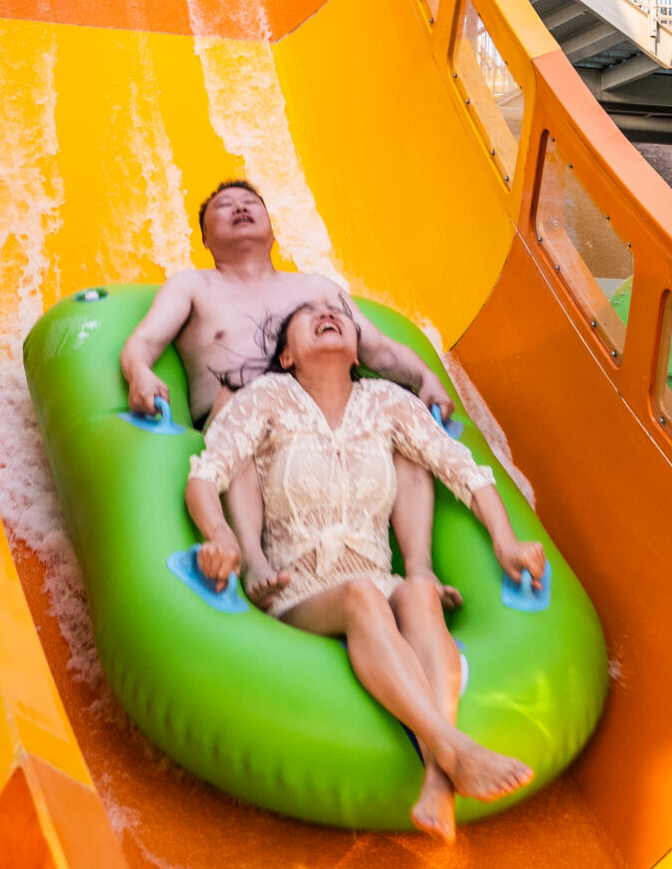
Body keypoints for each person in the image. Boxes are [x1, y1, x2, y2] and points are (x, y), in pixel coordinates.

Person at [185, 297, 543, 838]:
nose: (328, 314)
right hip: (298, 584)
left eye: (339, 314)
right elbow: (207, 475)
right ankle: (453, 751)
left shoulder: (387, 403)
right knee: (363, 596)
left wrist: (506, 543)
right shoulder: (266, 398)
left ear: (357, 351)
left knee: (418, 594)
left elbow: (465, 472)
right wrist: (222, 539)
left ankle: (439, 782)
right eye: (309, 316)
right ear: (286, 356)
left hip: (380, 573)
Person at [120, 181, 456, 609]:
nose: (240, 209)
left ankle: (419, 570)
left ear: (272, 228)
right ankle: (253, 559)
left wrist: (425, 377)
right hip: (245, 425)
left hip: (327, 420)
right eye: (225, 207)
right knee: (234, 403)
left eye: (250, 203)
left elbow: (380, 349)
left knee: (404, 432)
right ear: (204, 238)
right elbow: (143, 342)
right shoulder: (193, 286)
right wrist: (140, 374)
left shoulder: (315, 289)